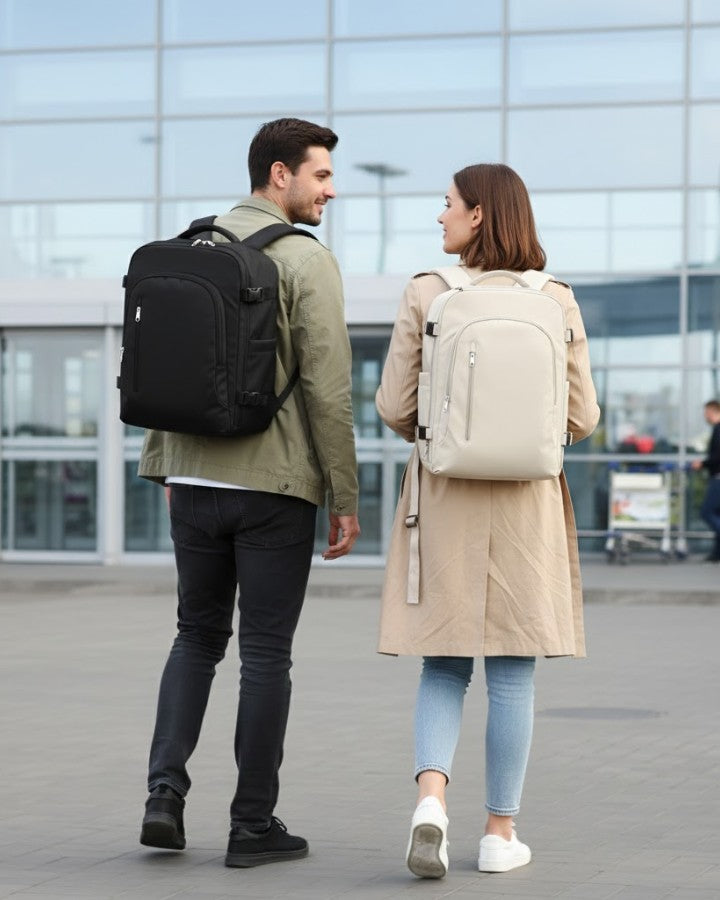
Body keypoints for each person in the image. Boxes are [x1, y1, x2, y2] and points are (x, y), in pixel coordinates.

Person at [137, 118, 360, 868]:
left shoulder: (192, 247)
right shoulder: (303, 259)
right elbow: (329, 389)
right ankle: (252, 825)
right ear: (279, 175)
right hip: (274, 486)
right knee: (265, 653)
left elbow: (161, 369)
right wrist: (344, 494)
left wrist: (164, 467)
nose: (331, 189)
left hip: (193, 483)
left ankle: (163, 795)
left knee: (194, 637)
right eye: (321, 175)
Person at [375, 163, 600, 878]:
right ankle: (500, 834)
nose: (439, 217)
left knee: (443, 664)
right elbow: (583, 416)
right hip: (528, 501)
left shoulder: (427, 293)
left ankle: (430, 805)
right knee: (512, 675)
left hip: (444, 495)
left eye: (447, 205)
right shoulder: (556, 298)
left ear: (478, 216)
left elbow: (391, 406)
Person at [691, 399, 720, 562]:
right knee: (716, 514)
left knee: (707, 512)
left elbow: (717, 456)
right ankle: (716, 554)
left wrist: (702, 463)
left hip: (718, 478)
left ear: (711, 411)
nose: (704, 416)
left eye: (705, 412)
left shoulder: (718, 429)